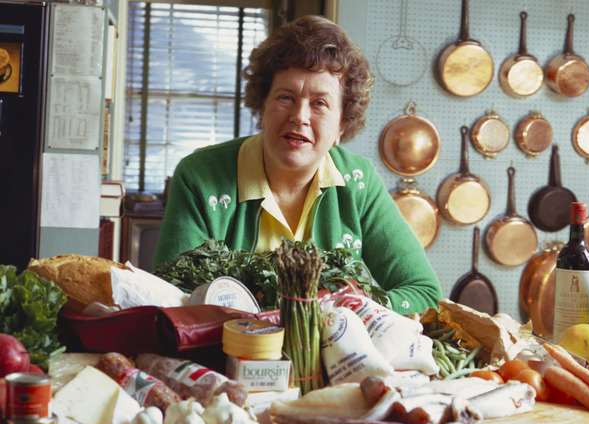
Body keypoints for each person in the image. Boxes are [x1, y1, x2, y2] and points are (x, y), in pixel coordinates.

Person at [153, 15, 442, 315]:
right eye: (286, 97)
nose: (300, 116)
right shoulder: (199, 176)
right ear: (263, 108)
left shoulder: (360, 183)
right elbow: (171, 296)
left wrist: (353, 309)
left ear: (342, 124)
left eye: (319, 103)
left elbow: (424, 293)